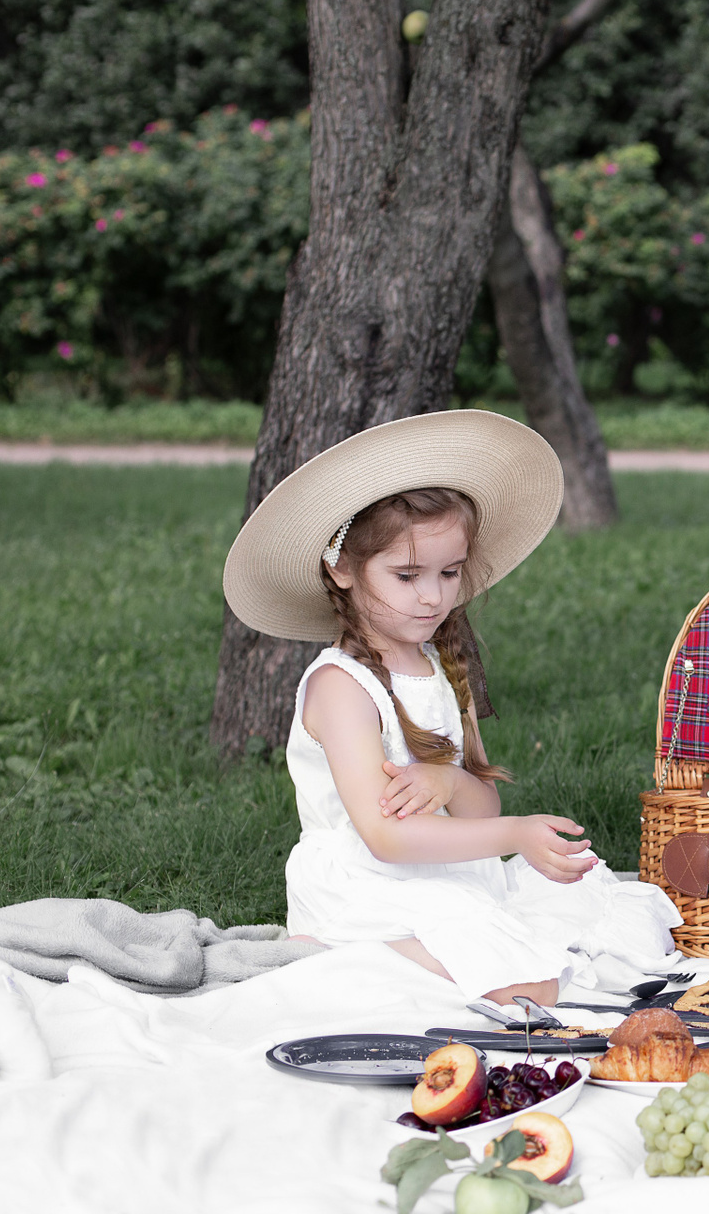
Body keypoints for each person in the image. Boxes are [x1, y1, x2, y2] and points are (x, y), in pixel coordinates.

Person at [222, 410, 679, 1007]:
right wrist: (513, 834)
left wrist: (448, 781)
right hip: (367, 888)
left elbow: (482, 804)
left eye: (449, 573)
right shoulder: (342, 687)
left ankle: (438, 951)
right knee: (532, 985)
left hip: (450, 874)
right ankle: (342, 955)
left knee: (605, 911)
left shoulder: (445, 666)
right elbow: (385, 837)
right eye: (407, 575)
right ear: (342, 568)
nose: (433, 596)